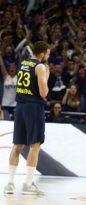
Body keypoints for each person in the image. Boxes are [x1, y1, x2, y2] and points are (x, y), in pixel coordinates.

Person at [4, 41, 51, 195]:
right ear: (42, 53)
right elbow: (43, 92)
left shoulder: (23, 64)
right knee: (34, 145)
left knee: (17, 145)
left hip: (20, 106)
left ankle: (10, 184)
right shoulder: (40, 67)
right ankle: (28, 184)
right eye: (48, 54)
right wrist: (47, 76)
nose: (48, 57)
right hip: (33, 107)